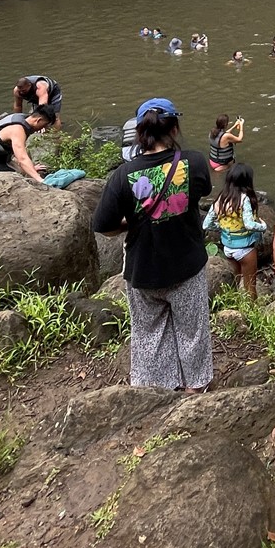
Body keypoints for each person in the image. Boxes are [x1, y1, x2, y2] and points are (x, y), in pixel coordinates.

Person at [93, 98, 212, 390]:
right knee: (192, 330)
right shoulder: (194, 162)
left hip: (143, 269)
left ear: (139, 132)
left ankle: (155, 391)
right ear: (174, 127)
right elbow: (204, 190)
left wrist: (130, 222)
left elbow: (103, 226)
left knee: (149, 333)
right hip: (186, 265)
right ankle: (196, 388)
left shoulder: (122, 176)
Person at [202, 162, 267, 300]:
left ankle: (234, 305)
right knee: (250, 286)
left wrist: (222, 229)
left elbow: (206, 224)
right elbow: (249, 225)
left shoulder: (221, 199)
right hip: (245, 249)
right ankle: (251, 313)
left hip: (228, 248)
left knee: (235, 281)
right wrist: (263, 226)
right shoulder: (244, 199)